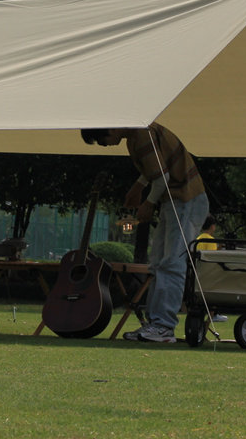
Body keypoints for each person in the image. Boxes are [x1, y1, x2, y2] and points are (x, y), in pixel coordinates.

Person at [81, 123, 209, 343]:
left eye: (102, 141)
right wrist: (138, 188)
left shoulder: (141, 136)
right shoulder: (137, 135)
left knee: (171, 263)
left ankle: (164, 326)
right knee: (159, 263)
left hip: (186, 200)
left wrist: (148, 203)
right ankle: (157, 324)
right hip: (175, 201)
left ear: (110, 130)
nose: (106, 145)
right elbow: (156, 170)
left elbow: (162, 179)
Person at [195, 214, 228, 322]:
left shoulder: (198, 238)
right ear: (212, 226)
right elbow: (212, 258)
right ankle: (214, 314)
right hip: (208, 276)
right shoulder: (210, 240)